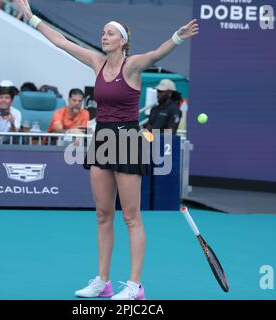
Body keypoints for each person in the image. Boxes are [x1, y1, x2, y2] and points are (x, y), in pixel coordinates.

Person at [16, 0, 198, 300]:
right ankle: (103, 281)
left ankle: (135, 286)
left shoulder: (134, 64)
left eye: (110, 33)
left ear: (122, 41)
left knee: (131, 216)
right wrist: (31, 17)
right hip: (101, 139)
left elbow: (158, 52)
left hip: (127, 139)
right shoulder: (96, 62)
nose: (104, 36)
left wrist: (177, 37)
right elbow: (61, 41)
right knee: (102, 214)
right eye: (103, 32)